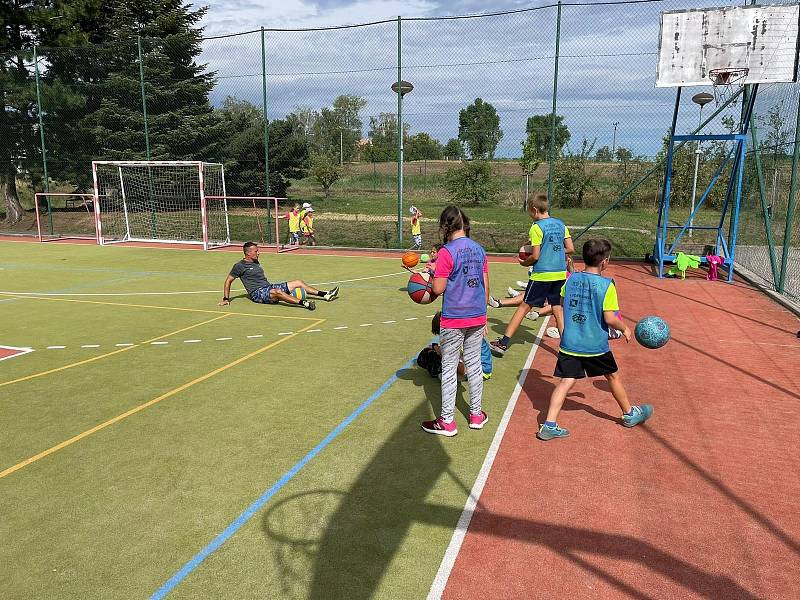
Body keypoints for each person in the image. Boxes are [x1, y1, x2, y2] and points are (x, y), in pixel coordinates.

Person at [537, 238, 653, 440]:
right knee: (612, 376)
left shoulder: (571, 279)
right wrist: (624, 328)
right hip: (595, 346)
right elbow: (610, 318)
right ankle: (629, 414)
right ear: (605, 262)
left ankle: (549, 424)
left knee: (566, 382)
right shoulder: (607, 285)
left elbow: (561, 304)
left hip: (570, 343)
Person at [421, 206, 489, 437]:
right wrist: (485, 314)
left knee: (449, 366)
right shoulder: (479, 250)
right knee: (474, 363)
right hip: (477, 314)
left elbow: (438, 289)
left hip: (454, 317)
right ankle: (476, 415)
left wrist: (429, 276)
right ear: (465, 224)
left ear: (444, 226)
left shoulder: (446, 252)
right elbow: (485, 285)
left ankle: (447, 421)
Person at [490, 193, 574, 356]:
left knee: (523, 307)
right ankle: (566, 347)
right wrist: (552, 250)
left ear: (534, 210)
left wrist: (524, 262)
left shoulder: (536, 227)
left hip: (542, 274)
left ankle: (503, 343)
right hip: (559, 274)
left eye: (529, 212)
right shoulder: (560, 224)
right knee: (556, 307)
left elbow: (535, 256)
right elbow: (570, 248)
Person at [219, 241, 338, 310]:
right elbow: (228, 281)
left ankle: (325, 295)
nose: (258, 253)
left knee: (298, 282)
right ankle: (304, 303)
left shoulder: (255, 261)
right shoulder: (239, 266)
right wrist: (226, 299)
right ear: (248, 253)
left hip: (268, 287)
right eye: (256, 251)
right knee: (278, 292)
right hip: (257, 294)